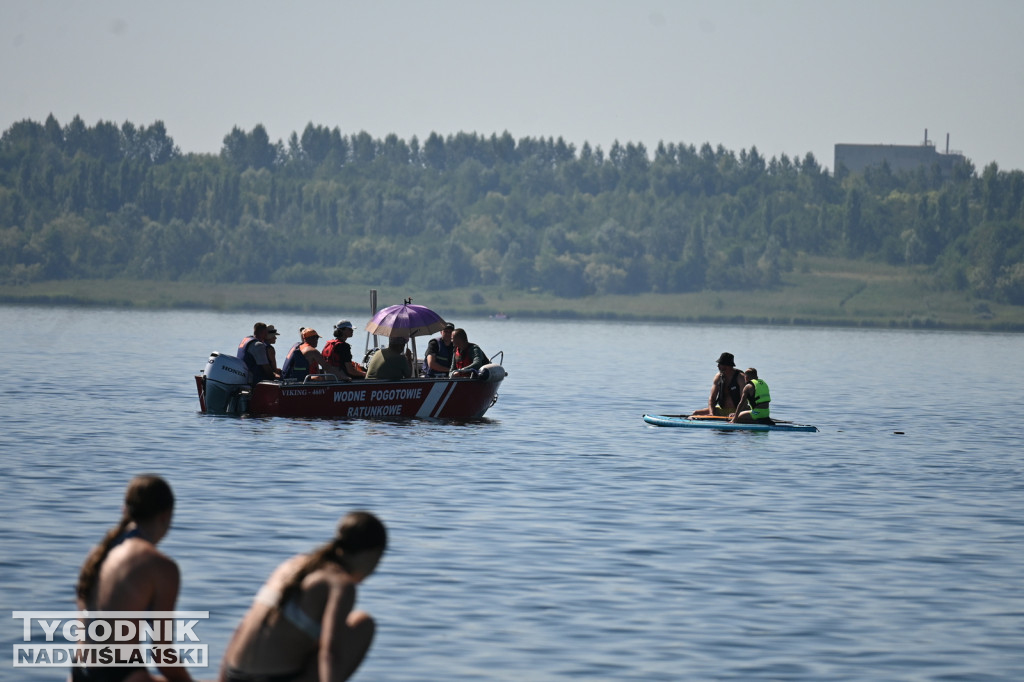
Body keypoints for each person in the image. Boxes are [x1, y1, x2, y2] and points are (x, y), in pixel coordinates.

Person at [220, 512, 387, 682]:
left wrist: (221, 679)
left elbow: (242, 627)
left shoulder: (292, 565)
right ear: (372, 554)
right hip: (274, 679)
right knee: (363, 623)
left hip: (234, 675)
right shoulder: (341, 584)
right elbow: (330, 653)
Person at [74, 475, 194, 682]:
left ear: (125, 510)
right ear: (166, 516)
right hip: (121, 675)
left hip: (80, 673)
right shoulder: (160, 566)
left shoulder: (97, 554)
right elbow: (162, 655)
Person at [281, 328, 350, 382]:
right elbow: (327, 367)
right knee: (320, 378)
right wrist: (343, 377)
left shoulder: (298, 346)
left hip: (288, 377)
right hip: (299, 381)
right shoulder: (312, 351)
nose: (317, 340)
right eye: (316, 338)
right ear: (311, 338)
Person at [692, 352, 747, 417]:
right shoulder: (718, 377)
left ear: (727, 365)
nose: (718, 366)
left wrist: (737, 414)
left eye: (720, 364)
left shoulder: (740, 377)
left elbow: (744, 400)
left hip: (737, 411)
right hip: (722, 410)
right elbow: (712, 398)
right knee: (695, 413)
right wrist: (711, 413)